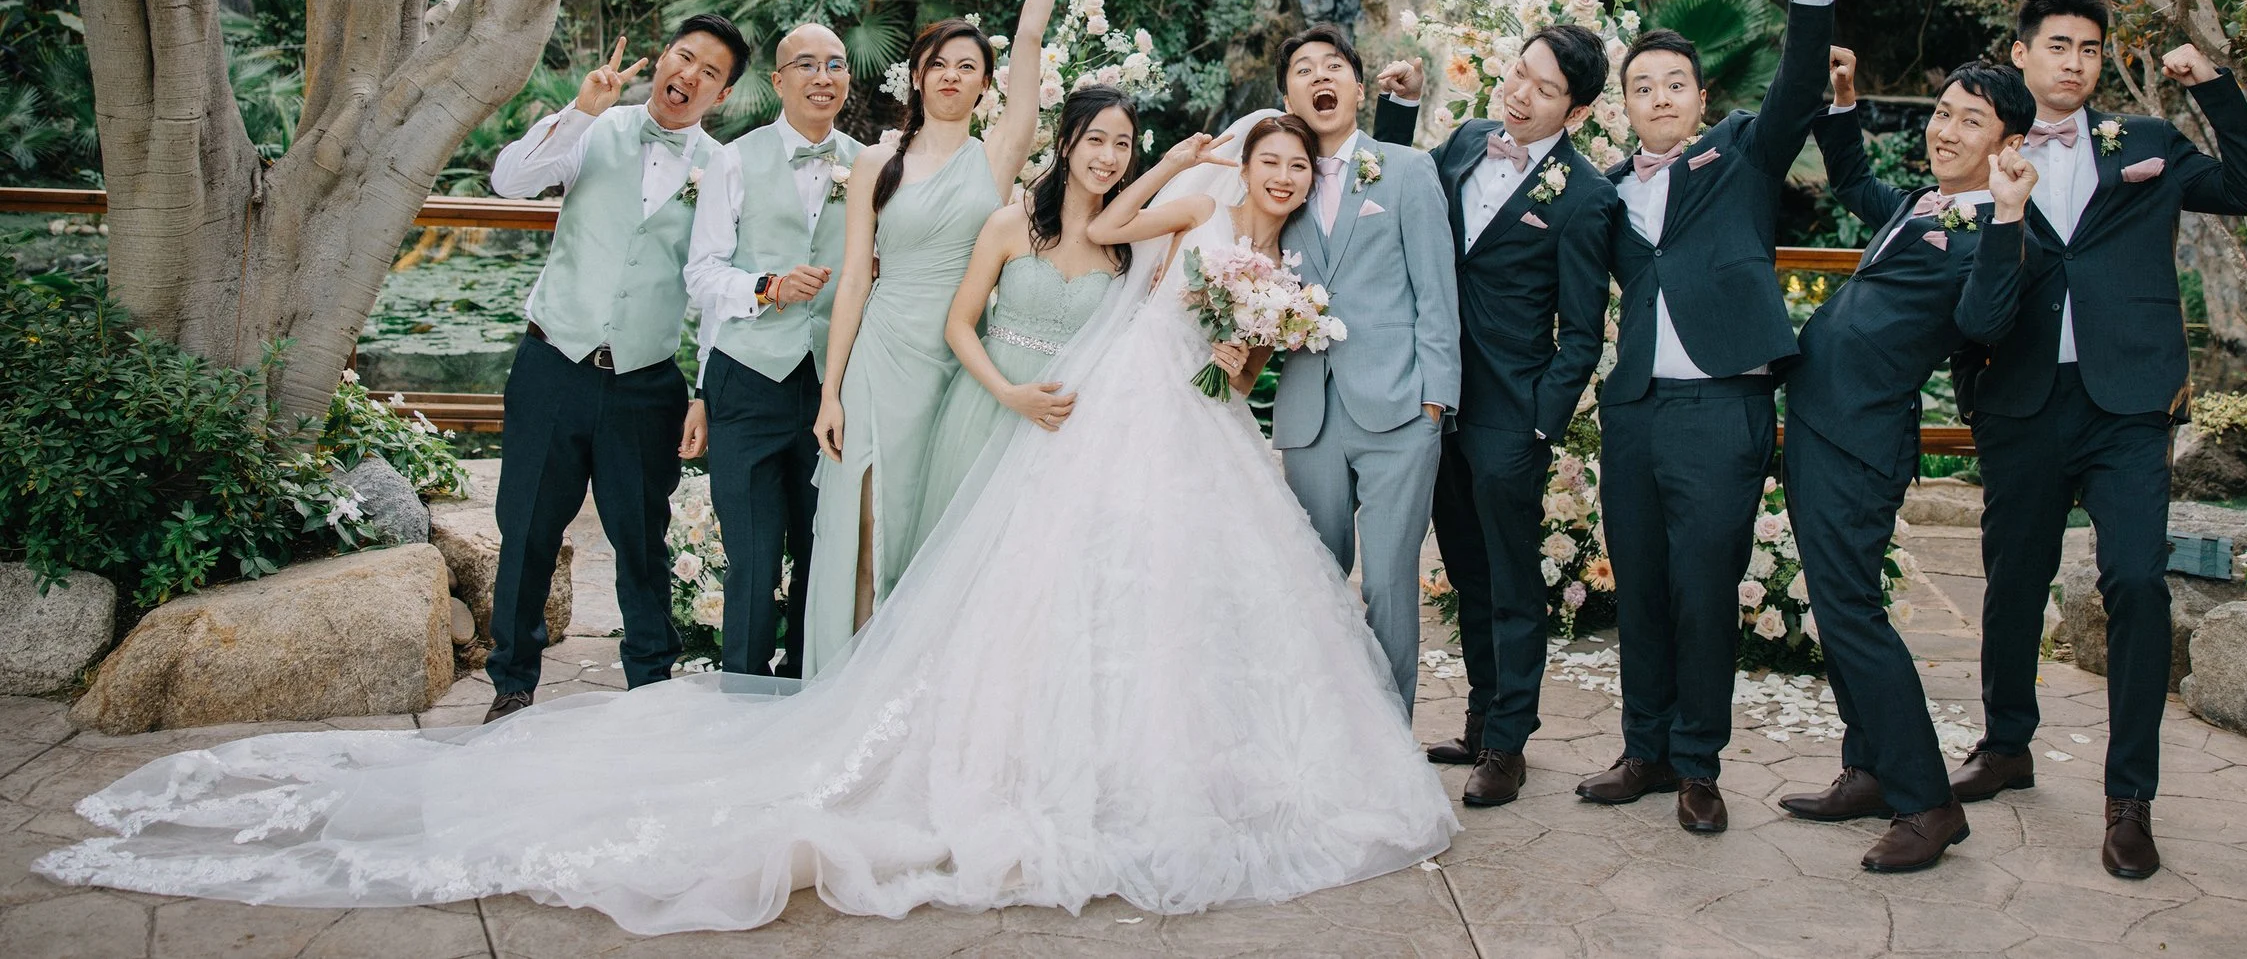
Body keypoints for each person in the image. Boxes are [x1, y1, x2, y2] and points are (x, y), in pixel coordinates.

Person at [39, 115, 1458, 932]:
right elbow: (1128, 221)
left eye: (1287, 163)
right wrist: (1185, 157)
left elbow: (1221, 330)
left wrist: (1244, 340)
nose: (1276, 174)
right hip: (1102, 416)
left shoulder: (1289, 242)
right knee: (1061, 592)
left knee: (1176, 602)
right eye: (1263, 156)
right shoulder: (1197, 189)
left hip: (1190, 416)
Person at [1947, 0, 2247, 880]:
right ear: (2021, 55)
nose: (2075, 62)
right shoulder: (1979, 147)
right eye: (2058, 45)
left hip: (2128, 403)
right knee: (2015, 579)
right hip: (2019, 399)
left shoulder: (2148, 145)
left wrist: (2211, 86)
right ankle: (2007, 741)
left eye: (2090, 49)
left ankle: (2129, 798)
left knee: (2137, 578)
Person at [1577, 0, 1834, 827]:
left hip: (1722, 408)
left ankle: (1698, 765)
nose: (1657, 98)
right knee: (1638, 587)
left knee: (1702, 590)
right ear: (1626, 106)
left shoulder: (1743, 154)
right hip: (1636, 408)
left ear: (1699, 94)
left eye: (1672, 83)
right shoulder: (1605, 190)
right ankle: (1642, 749)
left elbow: (1802, 85)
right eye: (1640, 87)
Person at [1776, 56, 2036, 873]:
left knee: (1852, 611)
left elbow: (1987, 317)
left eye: (1970, 120)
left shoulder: (1994, 228)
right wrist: (1846, 103)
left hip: (1862, 436)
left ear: (2008, 144)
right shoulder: (1926, 203)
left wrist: (2008, 213)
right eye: (1944, 111)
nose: (1946, 128)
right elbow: (1853, 180)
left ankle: (1928, 800)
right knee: (1834, 602)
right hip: (1822, 422)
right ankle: (1871, 770)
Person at [806, 0, 1073, 673]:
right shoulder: (874, 163)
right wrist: (830, 390)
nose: (953, 74)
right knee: (862, 533)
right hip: (879, 362)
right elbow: (856, 277)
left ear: (982, 84)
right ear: (917, 75)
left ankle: (905, 696)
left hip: (958, 370)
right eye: (939, 63)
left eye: (968, 66)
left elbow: (1028, 45)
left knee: (932, 538)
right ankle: (839, 692)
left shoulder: (996, 159)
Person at [1376, 24, 1620, 808]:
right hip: (1435, 404)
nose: (1519, 93)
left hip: (1511, 418)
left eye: (1543, 89)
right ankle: (1480, 721)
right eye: (1519, 74)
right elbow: (1396, 189)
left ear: (1575, 111)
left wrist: (1542, 423)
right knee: (1467, 574)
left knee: (1514, 583)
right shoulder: (1465, 142)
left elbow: (1581, 333)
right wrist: (1398, 110)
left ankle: (1509, 744)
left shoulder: (1586, 198)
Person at [480, 17, 748, 721]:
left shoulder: (719, 168)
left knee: (641, 538)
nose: (689, 75)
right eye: (684, 57)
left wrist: (704, 389)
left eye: (710, 71)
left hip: (645, 380)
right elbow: (509, 181)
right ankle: (512, 681)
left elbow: (717, 285)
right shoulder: (594, 127)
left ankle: (650, 684)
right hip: (553, 363)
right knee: (528, 527)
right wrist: (578, 112)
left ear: (721, 93)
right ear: (662, 60)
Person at [1264, 25, 1460, 717]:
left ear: (1355, 81)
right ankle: (1325, 738)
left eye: (1333, 65)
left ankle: (1389, 747)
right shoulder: (1272, 180)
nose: (1320, 75)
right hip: (1308, 412)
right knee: (1316, 583)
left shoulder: (1405, 171)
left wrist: (1436, 404)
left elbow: (1437, 294)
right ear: (1285, 93)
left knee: (1386, 583)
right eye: (1303, 67)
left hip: (1400, 412)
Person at [682, 21, 865, 677]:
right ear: (779, 80)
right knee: (754, 558)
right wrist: (768, 286)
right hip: (749, 380)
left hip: (835, 385)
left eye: (836, 64)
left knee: (826, 549)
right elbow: (700, 276)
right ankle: (743, 701)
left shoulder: (870, 165)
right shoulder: (733, 160)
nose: (824, 76)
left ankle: (808, 696)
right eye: (807, 64)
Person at [915, 85, 1140, 549]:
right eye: (1096, 139)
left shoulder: (1131, 247)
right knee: (964, 552)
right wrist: (1008, 393)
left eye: (1123, 144)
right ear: (1065, 144)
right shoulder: (1011, 223)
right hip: (989, 404)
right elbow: (959, 323)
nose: (1109, 156)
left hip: (1069, 422)